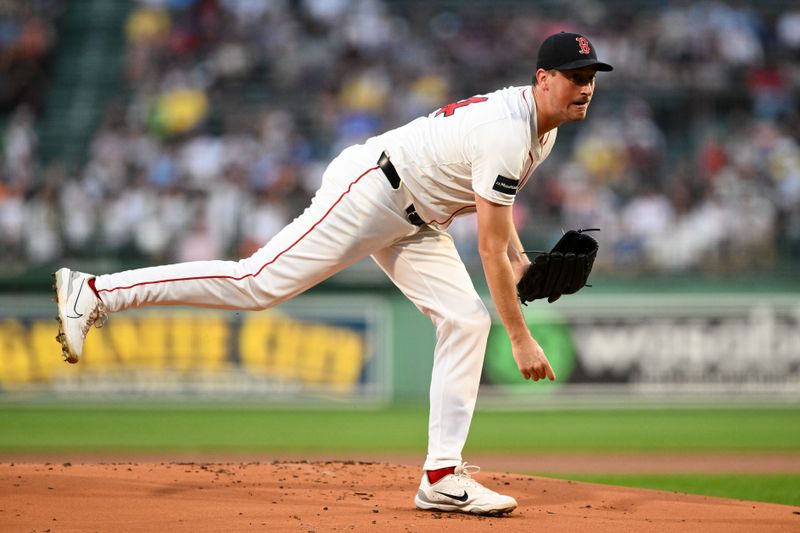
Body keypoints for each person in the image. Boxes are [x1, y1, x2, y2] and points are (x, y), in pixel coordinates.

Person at [54, 32, 612, 516]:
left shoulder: (545, 127)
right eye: (574, 76)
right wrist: (519, 335)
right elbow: (489, 249)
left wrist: (520, 262)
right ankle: (96, 292)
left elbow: (496, 220)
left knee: (466, 321)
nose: (585, 87)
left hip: (419, 218)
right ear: (543, 78)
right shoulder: (508, 130)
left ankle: (442, 478)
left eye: (591, 76)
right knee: (257, 283)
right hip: (374, 190)